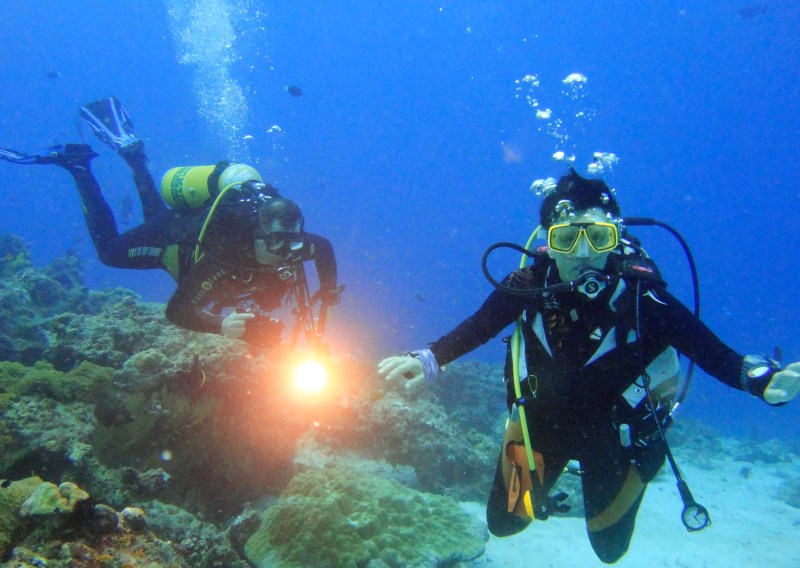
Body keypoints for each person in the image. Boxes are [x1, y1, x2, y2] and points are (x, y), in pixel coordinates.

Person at [378, 169, 800, 563]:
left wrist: (761, 380)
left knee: (608, 548)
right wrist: (429, 358)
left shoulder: (643, 299)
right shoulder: (527, 286)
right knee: (505, 522)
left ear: (616, 238)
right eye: (567, 240)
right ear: (548, 241)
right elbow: (479, 326)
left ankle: (646, 457)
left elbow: (712, 352)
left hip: (616, 433)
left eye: (598, 237)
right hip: (540, 421)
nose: (582, 255)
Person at [0, 97, 341, 347]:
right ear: (257, 234)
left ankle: (134, 157)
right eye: (278, 245)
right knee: (111, 252)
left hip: (185, 222)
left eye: (294, 244)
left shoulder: (292, 241)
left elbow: (322, 248)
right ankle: (79, 167)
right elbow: (178, 311)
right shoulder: (221, 257)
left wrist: (326, 289)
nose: (287, 253)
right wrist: (222, 326)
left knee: (158, 217)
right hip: (176, 239)